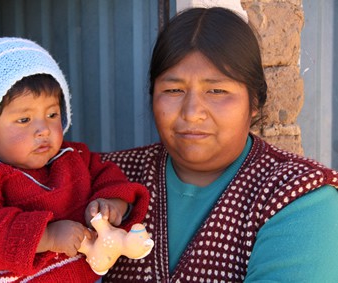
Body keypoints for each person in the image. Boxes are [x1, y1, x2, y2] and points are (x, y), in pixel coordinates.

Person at [100, 7, 338, 282]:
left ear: (254, 102)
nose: (192, 112)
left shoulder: (300, 196)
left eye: (217, 91)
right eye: (173, 90)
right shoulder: (110, 178)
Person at [0, 37, 149, 282]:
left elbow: (110, 178)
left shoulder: (74, 158)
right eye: (24, 120)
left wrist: (111, 203)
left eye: (52, 114)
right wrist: (46, 236)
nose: (44, 129)